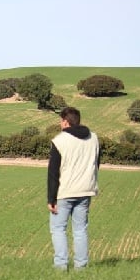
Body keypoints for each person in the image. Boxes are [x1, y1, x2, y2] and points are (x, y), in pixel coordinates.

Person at [47, 107, 100, 271]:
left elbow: (53, 173)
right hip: (86, 191)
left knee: (58, 229)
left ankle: (61, 266)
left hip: (65, 192)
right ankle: (81, 267)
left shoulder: (60, 141)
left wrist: (51, 199)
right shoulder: (94, 138)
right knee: (80, 230)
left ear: (65, 121)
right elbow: (96, 164)